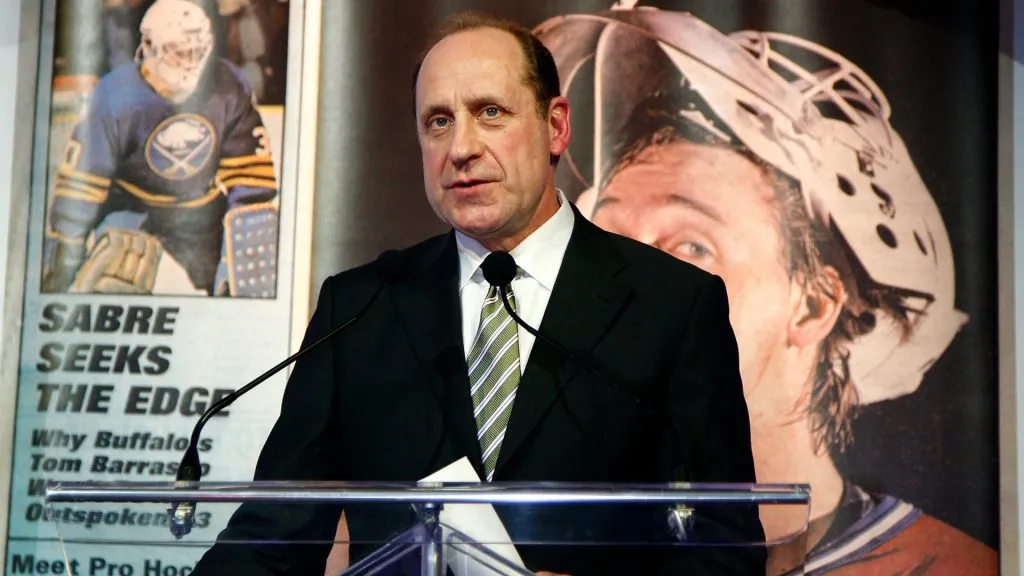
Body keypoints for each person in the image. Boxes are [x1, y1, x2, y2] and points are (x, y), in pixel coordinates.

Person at [193, 9, 764, 576]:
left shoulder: (672, 306)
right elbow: (269, 539)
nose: (461, 147)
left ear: (556, 126)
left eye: (490, 112)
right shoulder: (362, 307)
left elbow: (724, 550)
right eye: (438, 121)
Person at [534, 7, 997, 574]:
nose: (627, 282)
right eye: (612, 244)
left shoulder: (942, 567)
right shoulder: (574, 549)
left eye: (689, 247)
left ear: (814, 305)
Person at [42, 0, 279, 297]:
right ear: (150, 46)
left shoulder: (229, 85)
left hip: (200, 210)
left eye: (198, 51)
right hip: (131, 208)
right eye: (180, 52)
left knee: (252, 273)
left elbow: (251, 184)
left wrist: (246, 247)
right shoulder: (114, 94)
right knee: (111, 282)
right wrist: (65, 257)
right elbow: (82, 187)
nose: (190, 61)